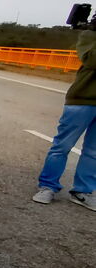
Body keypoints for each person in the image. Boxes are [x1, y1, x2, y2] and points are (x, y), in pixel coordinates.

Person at [32, 29, 96, 211]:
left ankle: (82, 192)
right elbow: (91, 60)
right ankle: (48, 186)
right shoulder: (89, 36)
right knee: (62, 147)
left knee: (93, 152)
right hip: (82, 100)